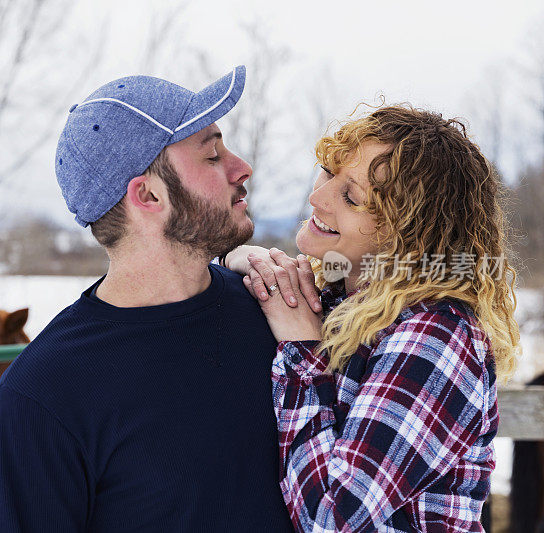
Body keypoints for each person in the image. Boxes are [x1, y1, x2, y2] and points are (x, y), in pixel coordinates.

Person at [0, 66, 293, 532]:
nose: (241, 167)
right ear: (147, 195)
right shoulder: (43, 396)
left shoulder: (273, 309)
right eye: (211, 156)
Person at [223, 105, 521, 531]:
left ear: (409, 233)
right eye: (327, 173)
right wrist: (243, 258)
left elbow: (331, 519)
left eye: (351, 197)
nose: (316, 198)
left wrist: (303, 352)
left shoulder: (436, 334)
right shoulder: (339, 301)